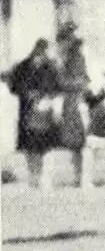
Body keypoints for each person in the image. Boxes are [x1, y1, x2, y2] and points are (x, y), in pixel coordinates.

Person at [5, 39, 60, 188]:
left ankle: (39, 175)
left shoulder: (50, 67)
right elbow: (13, 86)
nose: (41, 54)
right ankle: (33, 175)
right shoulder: (23, 66)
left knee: (42, 144)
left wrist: (46, 96)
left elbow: (57, 87)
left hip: (43, 110)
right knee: (30, 144)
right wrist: (27, 94)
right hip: (27, 109)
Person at [56, 25, 94, 188]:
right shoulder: (69, 57)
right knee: (75, 143)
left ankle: (83, 177)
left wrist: (66, 83)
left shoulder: (77, 57)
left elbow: (82, 80)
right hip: (72, 102)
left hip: (77, 101)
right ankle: (79, 177)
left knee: (82, 141)